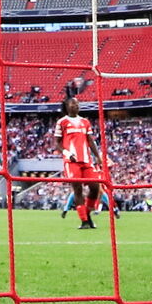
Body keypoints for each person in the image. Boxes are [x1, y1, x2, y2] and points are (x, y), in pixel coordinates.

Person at [55, 97, 105, 230]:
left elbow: (90, 140)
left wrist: (98, 156)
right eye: (73, 103)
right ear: (67, 106)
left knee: (95, 188)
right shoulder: (62, 122)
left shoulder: (85, 122)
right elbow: (57, 143)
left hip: (87, 160)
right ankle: (84, 221)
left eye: (77, 103)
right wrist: (67, 154)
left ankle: (87, 215)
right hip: (72, 161)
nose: (76, 105)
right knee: (78, 190)